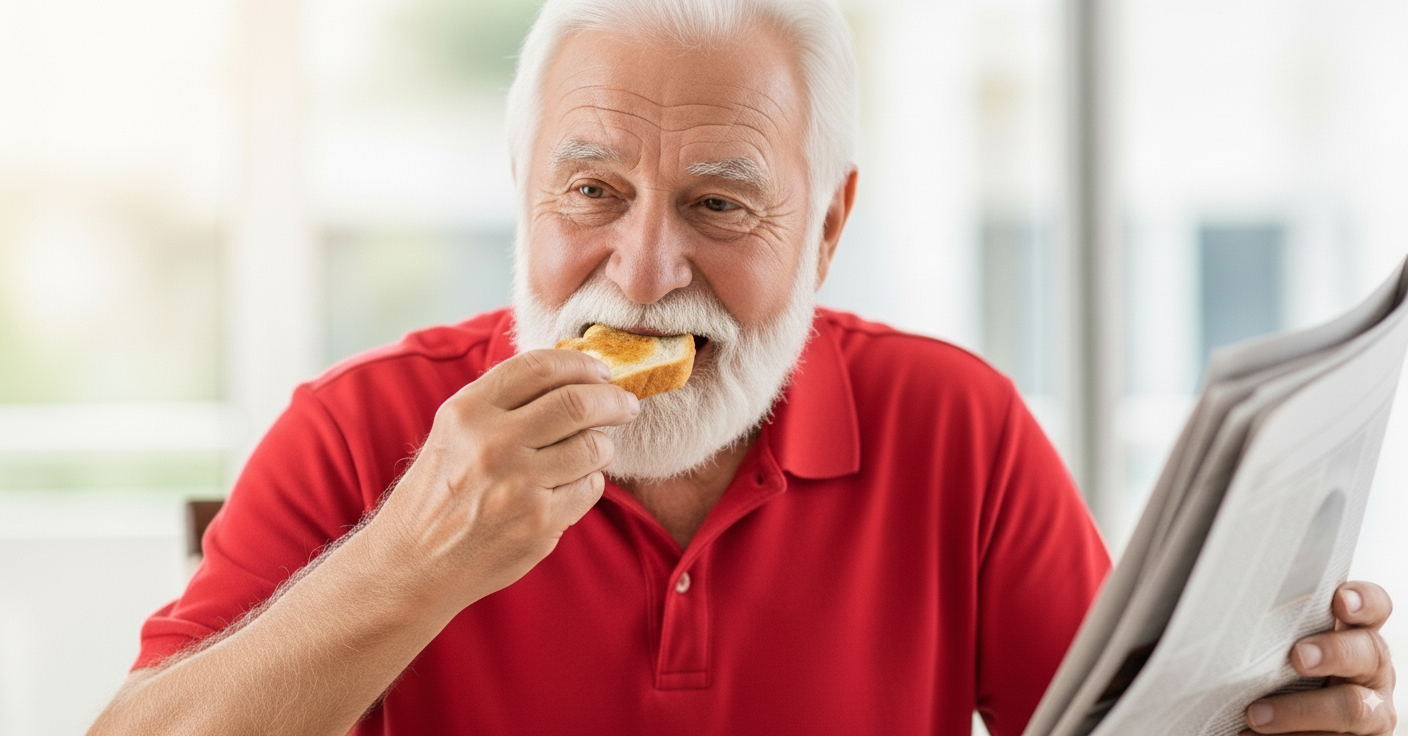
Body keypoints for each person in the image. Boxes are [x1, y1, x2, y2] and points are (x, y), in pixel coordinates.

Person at [89, 1, 1397, 734]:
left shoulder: (957, 428)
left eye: (719, 207)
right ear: (520, 193)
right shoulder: (361, 430)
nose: (643, 271)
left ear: (828, 225)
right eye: (591, 190)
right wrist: (407, 560)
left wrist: (1280, 721)